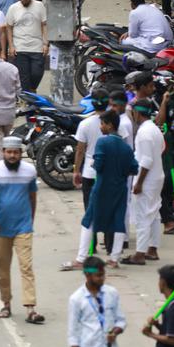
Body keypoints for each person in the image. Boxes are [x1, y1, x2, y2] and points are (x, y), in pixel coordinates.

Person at [62, 111, 137, 270]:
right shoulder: (126, 148)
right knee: (118, 222)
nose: (101, 127)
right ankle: (114, 259)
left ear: (110, 125)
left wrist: (93, 164)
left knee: (89, 220)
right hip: (120, 189)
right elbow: (134, 168)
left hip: (102, 188)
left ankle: (81, 258)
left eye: (102, 124)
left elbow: (99, 164)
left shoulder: (102, 142)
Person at [0, 136, 44, 324]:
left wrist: (30, 220)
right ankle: (6, 304)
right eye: (9, 152)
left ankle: (30, 308)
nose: (12, 156)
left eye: (16, 152)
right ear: (3, 152)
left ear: (21, 153)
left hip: (23, 227)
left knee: (26, 267)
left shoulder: (30, 171)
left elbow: (33, 197)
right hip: (0, 228)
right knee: (2, 268)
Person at [67, 256, 131, 347]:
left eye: (103, 275)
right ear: (87, 275)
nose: (102, 279)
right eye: (98, 276)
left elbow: (121, 320)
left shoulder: (112, 293)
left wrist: (115, 332)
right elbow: (73, 334)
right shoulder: (76, 299)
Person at [126, 98, 165, 265]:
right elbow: (161, 149)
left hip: (147, 179)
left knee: (142, 215)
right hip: (157, 176)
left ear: (137, 112)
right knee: (154, 213)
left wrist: (139, 183)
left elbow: (147, 160)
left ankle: (140, 254)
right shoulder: (154, 129)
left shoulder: (144, 133)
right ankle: (152, 249)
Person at [5, 0, 48, 92]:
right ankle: (27, 98)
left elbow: (44, 25)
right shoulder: (13, 8)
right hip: (20, 48)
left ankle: (32, 91)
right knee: (24, 77)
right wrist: (11, 46)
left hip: (37, 47)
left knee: (37, 73)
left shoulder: (39, 6)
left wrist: (45, 43)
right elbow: (9, 27)